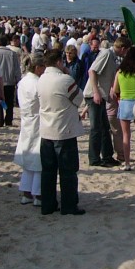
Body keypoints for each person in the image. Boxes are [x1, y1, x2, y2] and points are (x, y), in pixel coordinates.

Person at [38, 49, 86, 216]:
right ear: (59, 62)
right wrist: (67, 73)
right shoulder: (65, 80)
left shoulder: (41, 79)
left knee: (48, 172)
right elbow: (79, 98)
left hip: (46, 130)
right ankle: (69, 205)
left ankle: (48, 205)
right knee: (68, 171)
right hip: (64, 130)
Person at [84, 36, 129, 167]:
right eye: (126, 51)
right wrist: (96, 92)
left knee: (105, 127)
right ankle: (94, 158)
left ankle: (107, 156)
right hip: (94, 95)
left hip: (102, 95)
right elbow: (92, 71)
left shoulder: (112, 57)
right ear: (122, 48)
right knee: (96, 128)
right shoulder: (106, 54)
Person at [14, 52, 45, 207]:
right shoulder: (37, 83)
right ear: (38, 67)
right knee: (39, 159)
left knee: (28, 158)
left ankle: (26, 192)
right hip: (38, 121)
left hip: (27, 120)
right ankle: (38, 194)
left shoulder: (23, 81)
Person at [110, 46, 135, 171]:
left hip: (125, 103)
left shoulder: (120, 72)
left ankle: (127, 163)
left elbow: (115, 90)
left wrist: (119, 97)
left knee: (126, 135)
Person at [0, 34, 21, 127]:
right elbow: (17, 69)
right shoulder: (12, 54)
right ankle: (8, 120)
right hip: (10, 81)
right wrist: (18, 80)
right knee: (9, 102)